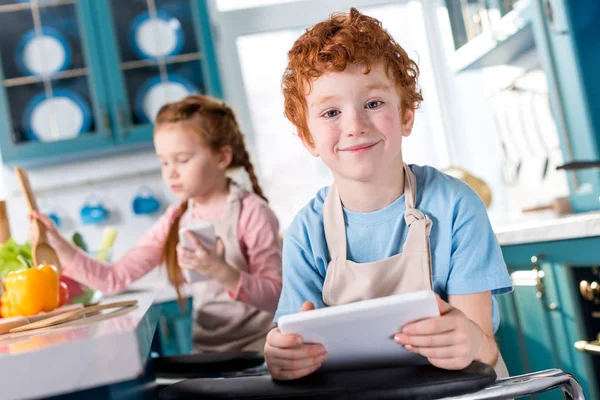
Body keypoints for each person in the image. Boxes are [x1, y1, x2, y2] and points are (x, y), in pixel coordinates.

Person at [264, 8, 512, 380]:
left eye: (374, 104)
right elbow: (295, 341)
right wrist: (283, 357)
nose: (354, 125)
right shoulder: (305, 233)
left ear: (407, 114)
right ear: (308, 138)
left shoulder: (457, 207)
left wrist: (471, 344)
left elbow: (485, 349)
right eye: (331, 112)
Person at [31, 95, 283, 352]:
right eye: (164, 161)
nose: (170, 172)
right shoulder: (176, 217)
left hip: (261, 349)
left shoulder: (252, 212)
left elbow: (276, 295)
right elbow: (113, 279)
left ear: (222, 157)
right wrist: (60, 247)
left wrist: (219, 270)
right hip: (207, 352)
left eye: (182, 160)